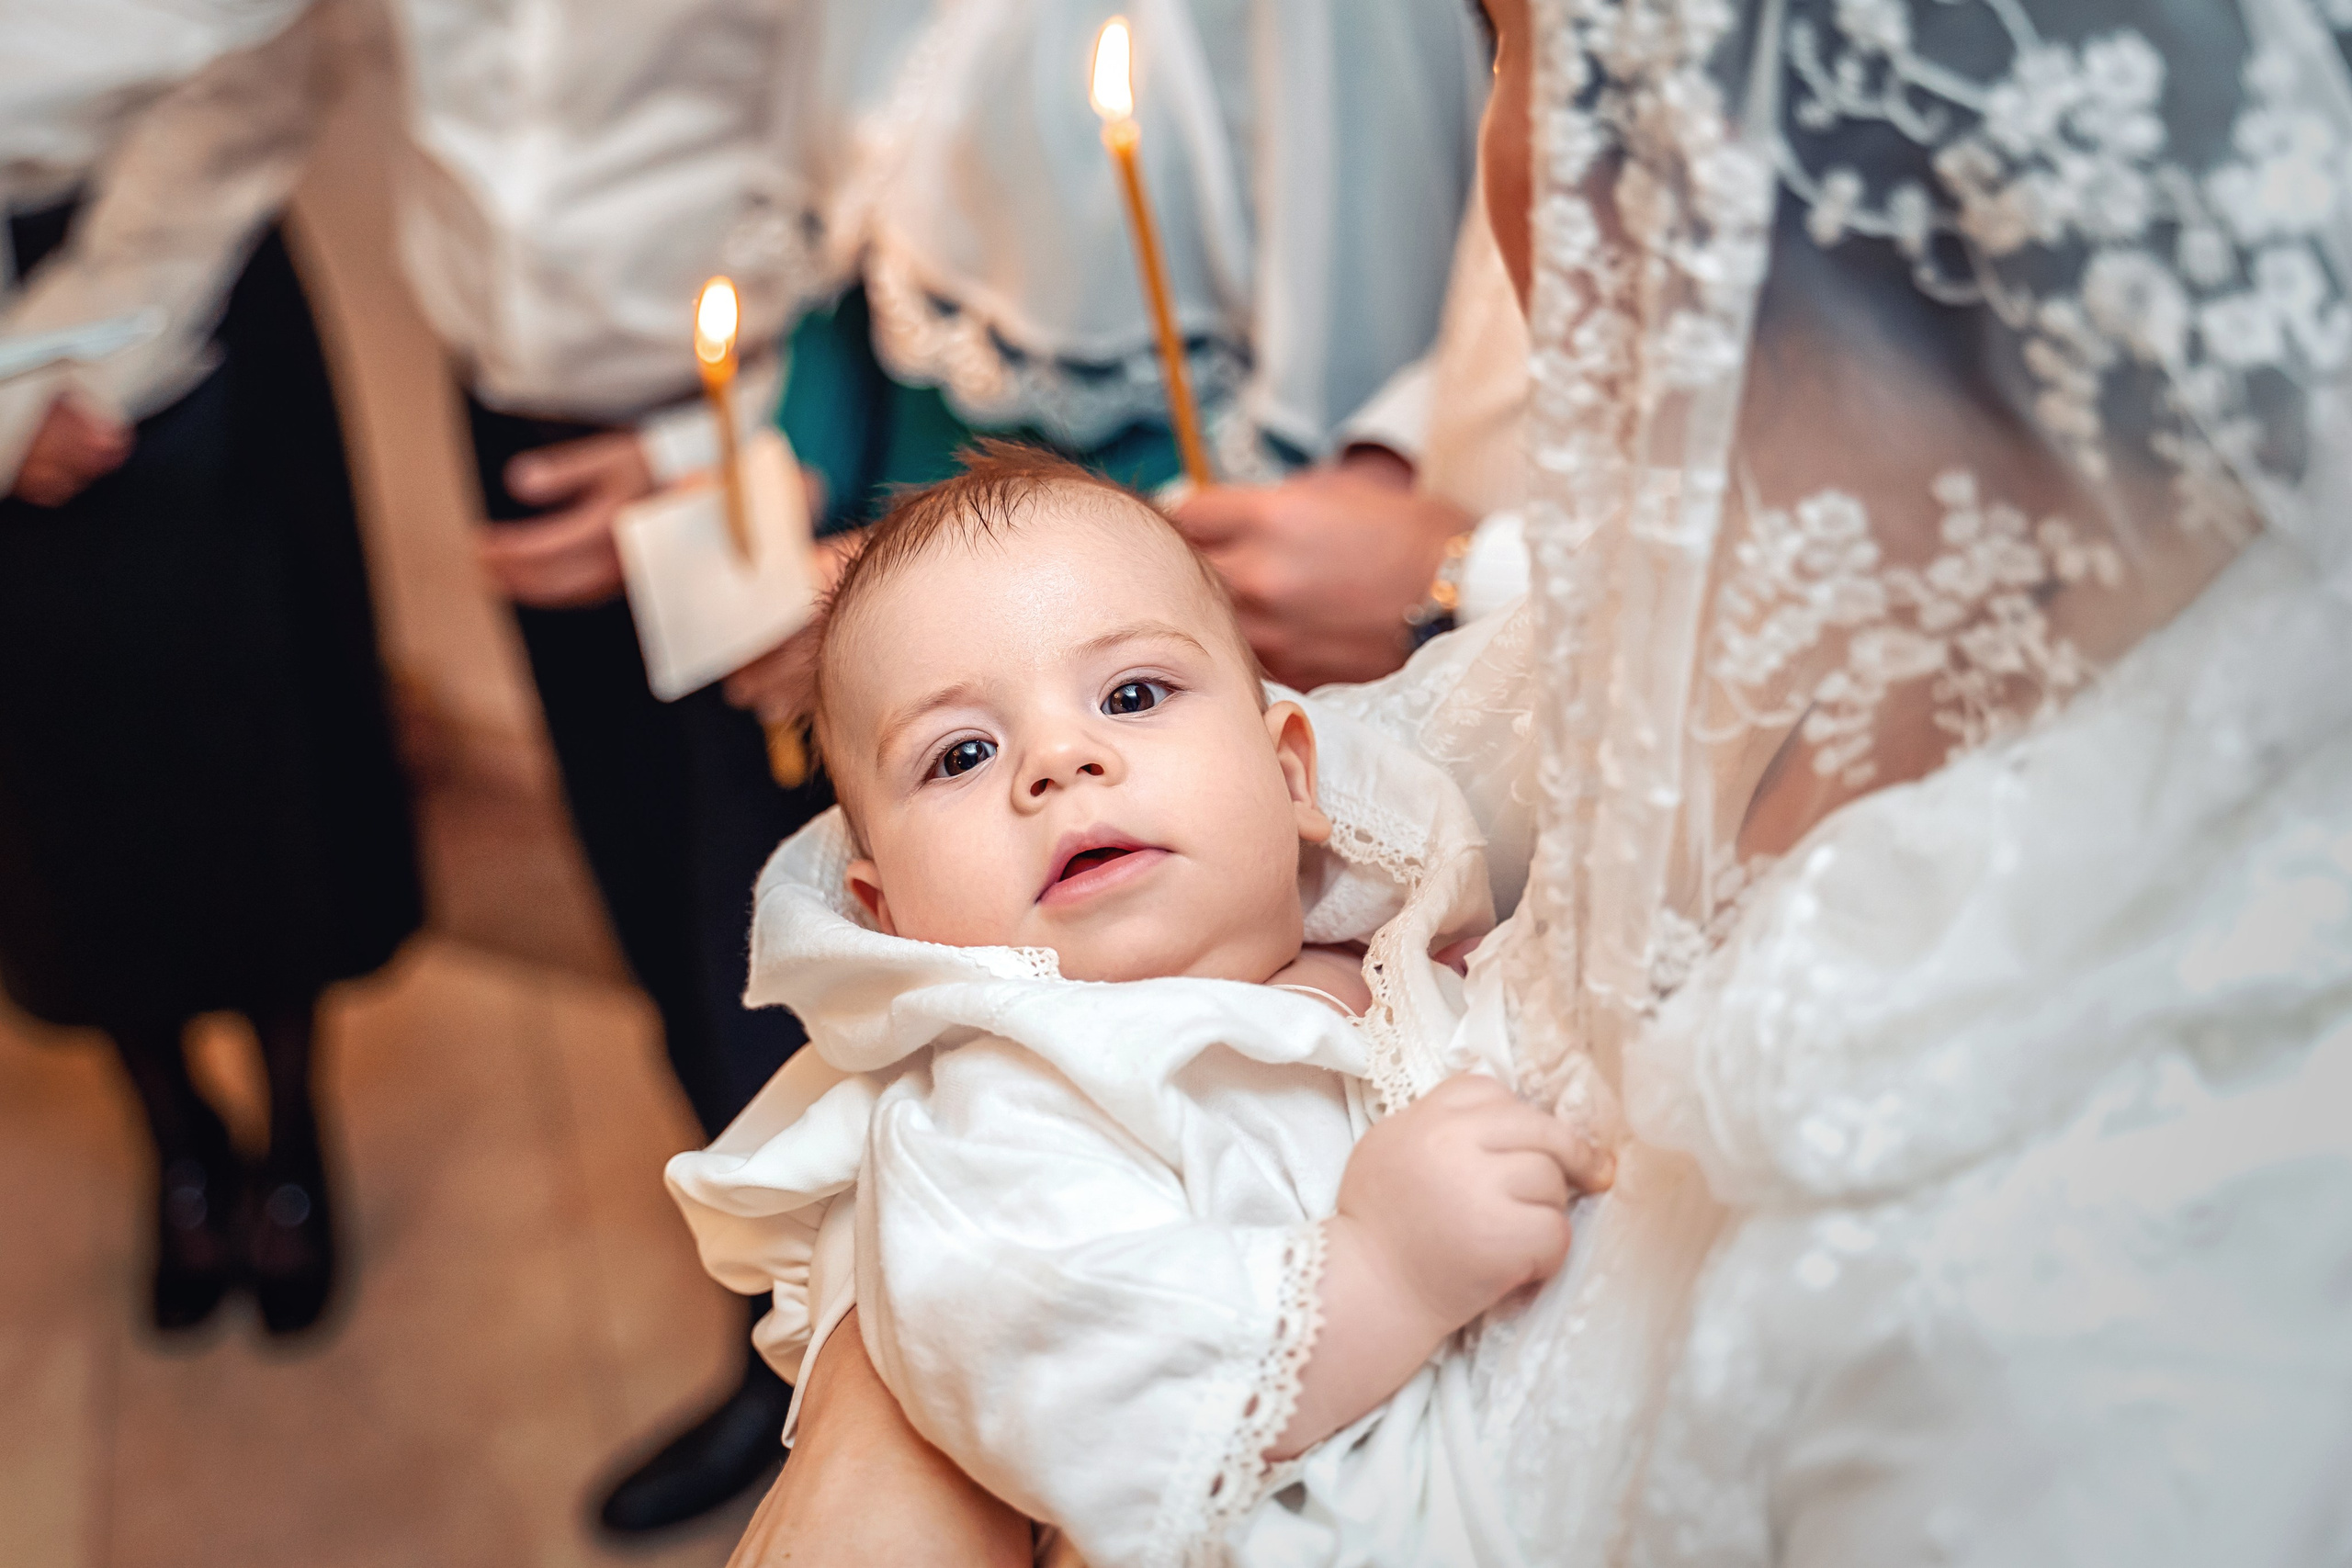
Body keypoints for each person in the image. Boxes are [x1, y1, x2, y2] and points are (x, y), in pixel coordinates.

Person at [701, 0, 2352, 1560]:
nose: (1067, 762)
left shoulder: (2168, 1206)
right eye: (970, 752)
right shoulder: (1669, 634)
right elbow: (983, 1047)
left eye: (1503, 34)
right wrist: (900, 1383)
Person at [670, 447, 1613, 1565]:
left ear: (1292, 776)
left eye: (1132, 694)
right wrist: (1379, 1272)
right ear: (889, 916)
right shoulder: (994, 1121)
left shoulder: (1413, 952)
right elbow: (1084, 1390)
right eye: (963, 753)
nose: (1060, 760)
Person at [0, 5, 421, 1337]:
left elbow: (263, 56)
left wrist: (82, 359)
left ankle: (294, 1133)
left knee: (262, 756)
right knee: (54, 794)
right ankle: (178, 1138)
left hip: (190, 274)